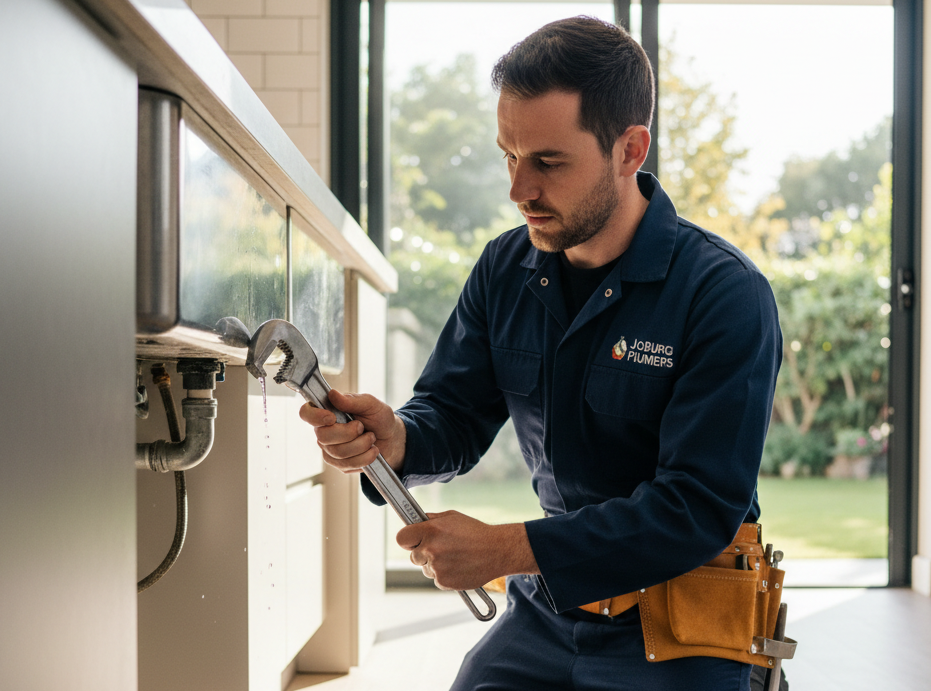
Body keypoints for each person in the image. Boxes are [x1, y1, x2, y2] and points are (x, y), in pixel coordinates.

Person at [300, 16, 782, 691]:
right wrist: (399, 437)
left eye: (548, 163)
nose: (518, 189)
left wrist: (504, 548)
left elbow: (694, 510)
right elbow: (455, 412)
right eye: (508, 155)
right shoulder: (506, 268)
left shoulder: (725, 296)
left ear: (629, 149)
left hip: (684, 617)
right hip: (551, 608)